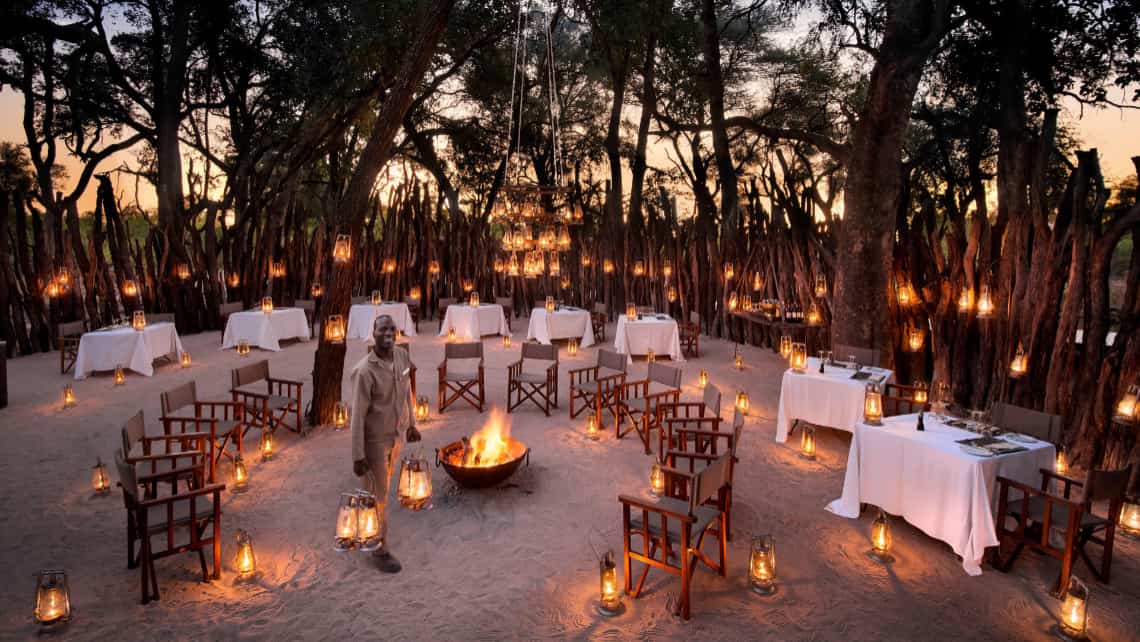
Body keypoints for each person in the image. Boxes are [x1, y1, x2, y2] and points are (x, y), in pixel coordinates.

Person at [350, 314, 419, 573]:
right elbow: (357, 417)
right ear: (374, 332)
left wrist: (412, 424)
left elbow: (407, 391)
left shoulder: (401, 357)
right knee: (376, 494)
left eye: (392, 328)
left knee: (381, 489)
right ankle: (379, 548)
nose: (388, 333)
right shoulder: (364, 371)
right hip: (374, 440)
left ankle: (364, 531)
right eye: (382, 329)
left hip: (396, 435)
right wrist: (358, 455)